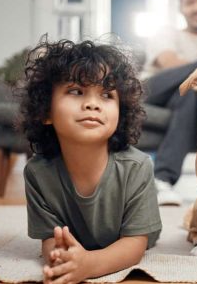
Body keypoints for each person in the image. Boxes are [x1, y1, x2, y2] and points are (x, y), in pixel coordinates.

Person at [20, 37, 162, 284]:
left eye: (107, 95)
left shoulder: (137, 167)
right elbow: (50, 240)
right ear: (45, 112)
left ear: (121, 112)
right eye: (76, 91)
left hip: (130, 237)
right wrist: (64, 260)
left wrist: (89, 265)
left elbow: (135, 244)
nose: (92, 104)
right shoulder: (37, 172)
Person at [142, 0, 197, 206]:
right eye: (190, 2)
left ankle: (163, 180)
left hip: (185, 98)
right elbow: (168, 63)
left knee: (189, 96)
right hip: (153, 90)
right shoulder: (167, 33)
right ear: (181, 9)